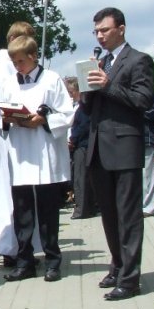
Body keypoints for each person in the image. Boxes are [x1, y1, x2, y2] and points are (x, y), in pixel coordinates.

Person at [83, 7, 154, 301]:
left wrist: (108, 85)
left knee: (128, 215)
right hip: (99, 148)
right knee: (109, 214)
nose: (99, 36)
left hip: (124, 147)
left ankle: (130, 279)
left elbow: (143, 100)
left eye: (104, 30)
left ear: (121, 29)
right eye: (96, 31)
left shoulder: (139, 60)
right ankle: (117, 265)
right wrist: (88, 88)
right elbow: (89, 108)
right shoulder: (100, 62)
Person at [0, 36, 74, 282]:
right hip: (20, 155)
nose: (17, 66)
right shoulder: (10, 83)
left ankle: (53, 262)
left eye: (20, 61)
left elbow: (67, 113)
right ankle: (24, 262)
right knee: (23, 214)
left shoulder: (51, 79)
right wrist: (7, 119)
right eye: (13, 62)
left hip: (45, 155)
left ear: (33, 56)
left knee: (48, 213)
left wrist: (43, 119)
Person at [0, 21, 40, 267]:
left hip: (21, 131)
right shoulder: (3, 66)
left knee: (21, 193)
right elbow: (7, 100)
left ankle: (22, 245)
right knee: (10, 194)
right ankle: (12, 246)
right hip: (10, 133)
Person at [68, 78, 97, 219]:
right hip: (83, 145)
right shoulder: (80, 107)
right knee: (85, 179)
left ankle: (81, 209)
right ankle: (89, 208)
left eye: (72, 91)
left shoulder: (83, 108)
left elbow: (83, 126)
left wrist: (73, 139)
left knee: (80, 179)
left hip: (82, 145)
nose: (70, 94)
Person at [142, 93, 154, 215]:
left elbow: (151, 113)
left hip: (147, 138)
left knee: (147, 175)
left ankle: (148, 208)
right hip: (132, 140)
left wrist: (133, 111)